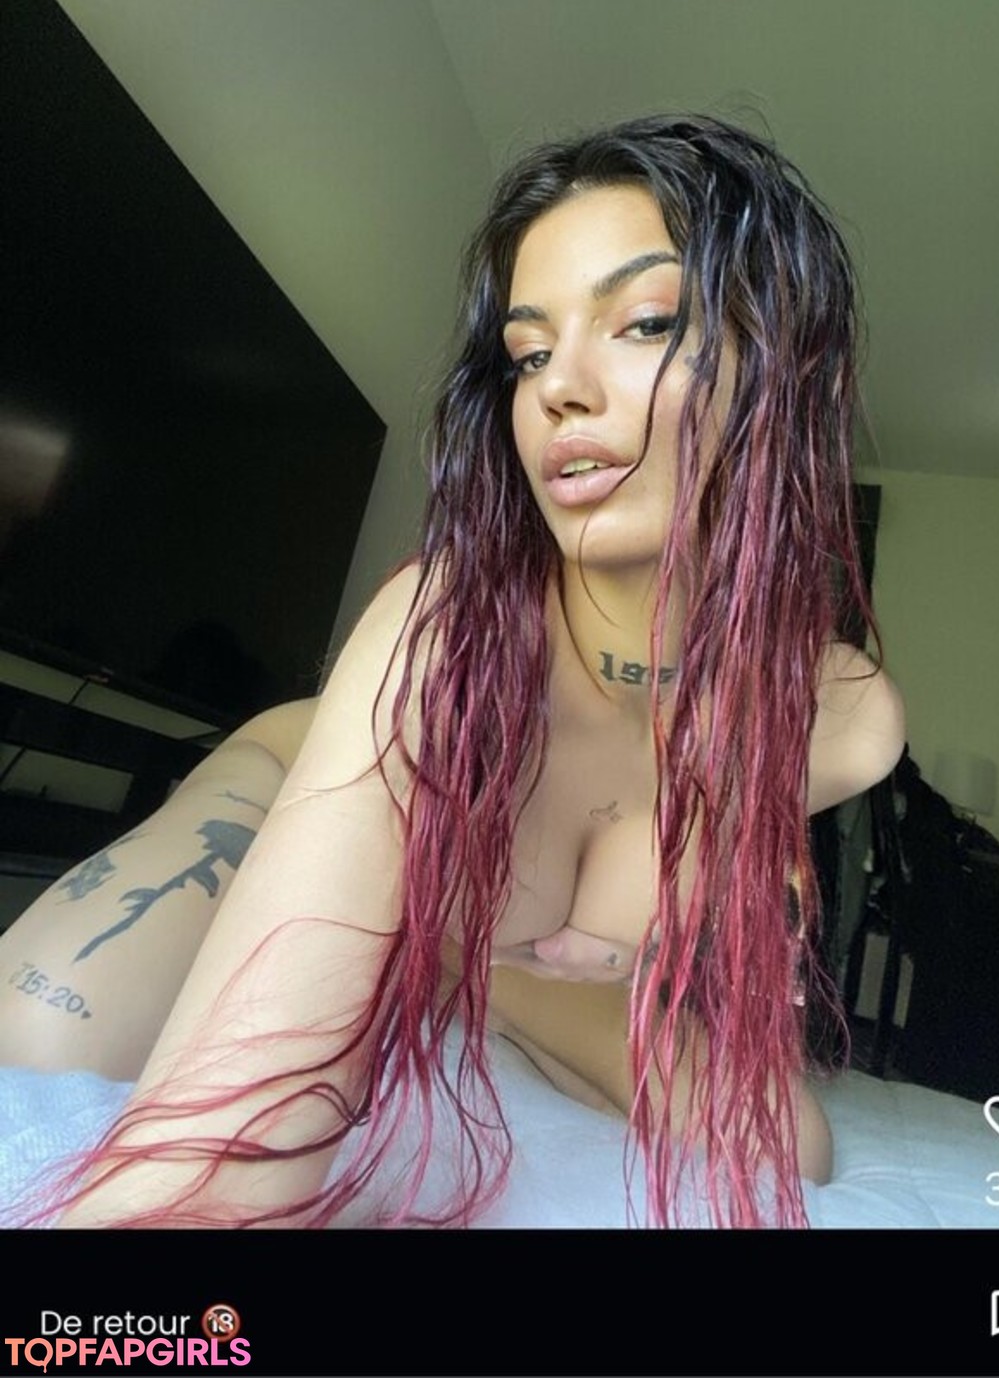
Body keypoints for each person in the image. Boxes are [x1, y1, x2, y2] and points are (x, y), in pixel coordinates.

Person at [0, 112, 904, 1228]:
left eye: (646, 321)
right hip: (282, 789)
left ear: (788, 366)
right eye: (530, 354)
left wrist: (479, 965)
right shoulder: (443, 625)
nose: (559, 389)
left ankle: (451, 961)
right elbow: (203, 1188)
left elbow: (711, 1015)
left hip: (503, 956)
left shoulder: (840, 719)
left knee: (791, 1139)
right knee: (46, 1026)